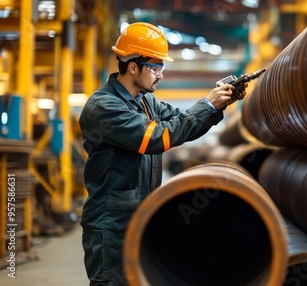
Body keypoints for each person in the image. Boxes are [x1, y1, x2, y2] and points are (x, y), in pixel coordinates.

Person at [78, 22, 245, 285]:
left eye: (162, 68)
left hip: (140, 217)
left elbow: (182, 125)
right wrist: (207, 105)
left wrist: (218, 104)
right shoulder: (104, 107)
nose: (161, 75)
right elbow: (159, 137)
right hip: (111, 225)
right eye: (156, 67)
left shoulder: (146, 102)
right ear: (133, 66)